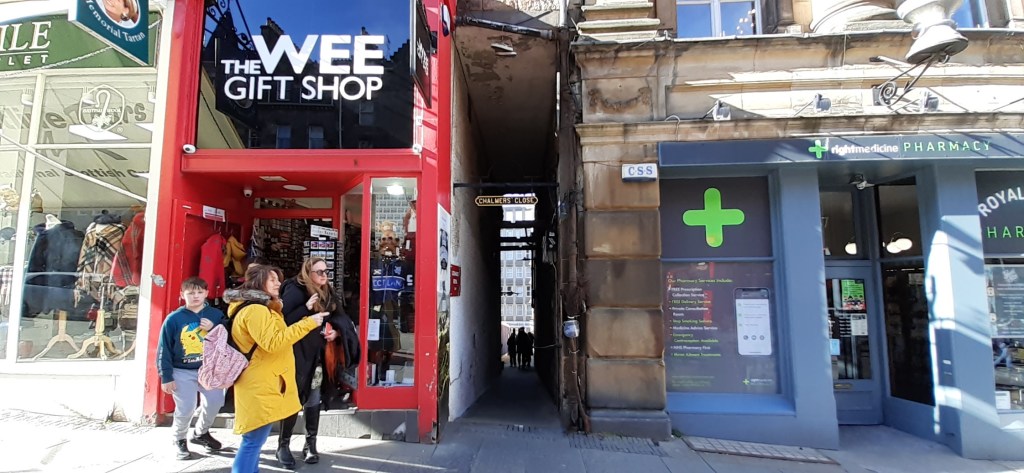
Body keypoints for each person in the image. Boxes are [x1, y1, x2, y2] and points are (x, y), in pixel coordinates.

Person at [225, 265, 327, 473]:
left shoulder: (262, 308)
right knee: (253, 440)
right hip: (259, 383)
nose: (278, 283)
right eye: (272, 279)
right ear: (258, 281)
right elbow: (273, 342)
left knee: (255, 439)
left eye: (278, 279)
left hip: (264, 380)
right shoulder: (256, 310)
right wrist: (307, 323)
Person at [277, 257, 360, 467]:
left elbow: (341, 318)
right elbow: (281, 321)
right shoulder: (295, 289)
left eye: (326, 271)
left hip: (320, 355)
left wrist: (336, 332)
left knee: (314, 398)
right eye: (319, 272)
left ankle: (310, 444)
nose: (324, 276)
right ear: (308, 272)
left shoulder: (328, 291)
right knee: (293, 399)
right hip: (296, 354)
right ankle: (283, 445)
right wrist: (306, 308)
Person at [157, 277, 226, 460]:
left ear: (206, 293)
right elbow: (164, 348)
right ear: (182, 295)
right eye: (190, 293)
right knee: (186, 407)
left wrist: (214, 328)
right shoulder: (174, 319)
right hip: (182, 370)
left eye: (199, 292)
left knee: (216, 401)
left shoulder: (215, 315)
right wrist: (166, 376)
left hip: (209, 369)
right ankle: (179, 439)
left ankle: (201, 432)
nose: (195, 296)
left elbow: (228, 338)